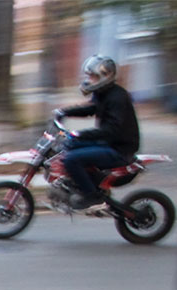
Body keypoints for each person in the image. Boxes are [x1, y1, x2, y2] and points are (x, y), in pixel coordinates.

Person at [54, 54, 140, 209]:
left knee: (71, 159)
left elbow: (111, 130)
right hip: (107, 142)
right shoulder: (103, 93)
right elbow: (92, 108)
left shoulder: (118, 97)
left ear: (105, 76)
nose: (89, 80)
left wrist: (81, 133)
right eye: (89, 76)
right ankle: (81, 183)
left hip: (119, 150)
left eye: (93, 76)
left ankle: (92, 195)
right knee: (68, 144)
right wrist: (64, 112)